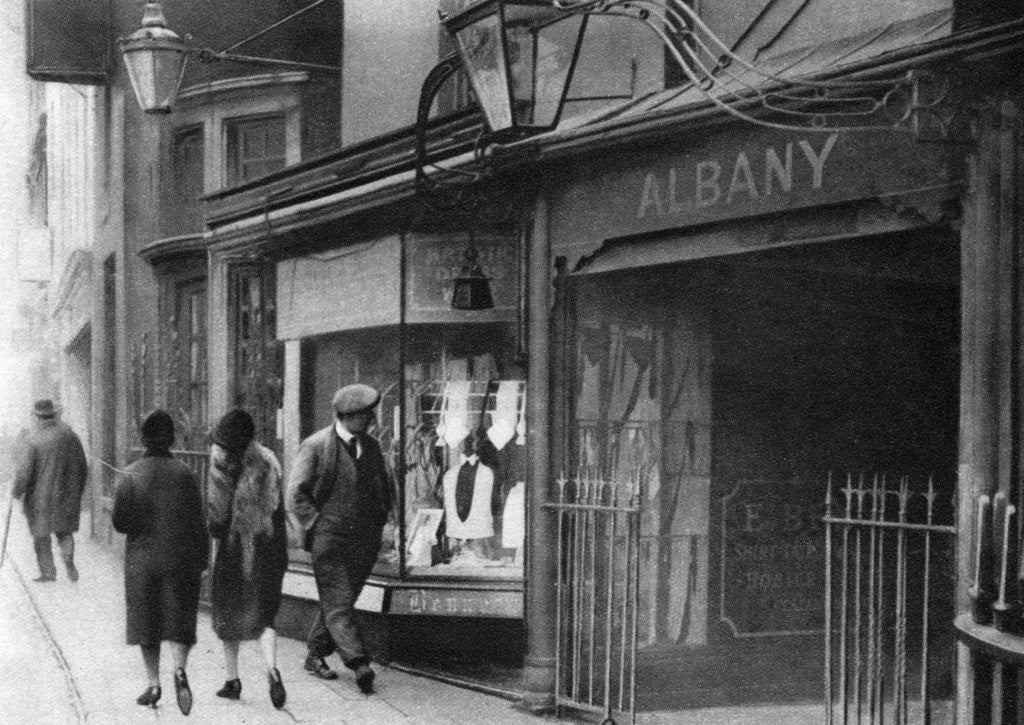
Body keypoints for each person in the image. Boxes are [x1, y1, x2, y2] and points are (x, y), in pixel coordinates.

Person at [287, 383, 393, 694]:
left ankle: (315, 653)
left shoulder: (370, 447)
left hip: (364, 540)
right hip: (329, 538)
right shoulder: (317, 445)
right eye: (366, 415)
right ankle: (359, 663)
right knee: (339, 601)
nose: (372, 420)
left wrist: (381, 523)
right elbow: (296, 494)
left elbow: (381, 489)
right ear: (349, 416)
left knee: (340, 601)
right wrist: (317, 523)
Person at [112, 410, 208, 716]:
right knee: (180, 620)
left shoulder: (130, 475)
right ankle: (179, 670)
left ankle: (153, 684)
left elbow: (120, 523)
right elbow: (198, 522)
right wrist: (203, 559)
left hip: (143, 561)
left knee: (147, 623)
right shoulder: (187, 475)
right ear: (172, 439)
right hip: (180, 559)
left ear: (143, 439)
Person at [206, 409, 288, 709]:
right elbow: (278, 507)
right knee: (264, 614)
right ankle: (272, 670)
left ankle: (232, 680)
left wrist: (215, 533)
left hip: (234, 548)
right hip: (268, 546)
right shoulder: (269, 459)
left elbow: (217, 513)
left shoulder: (220, 461)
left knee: (229, 612)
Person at [12, 399, 88, 583]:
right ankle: (68, 557)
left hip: (41, 498)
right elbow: (83, 466)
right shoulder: (70, 436)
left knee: (41, 535)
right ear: (53, 415)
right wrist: (78, 490)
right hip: (67, 495)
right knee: (64, 531)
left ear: (37, 417)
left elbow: (24, 472)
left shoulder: (33, 439)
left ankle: (48, 572)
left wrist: (17, 491)